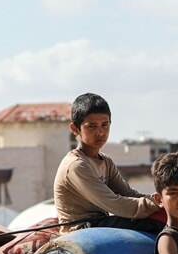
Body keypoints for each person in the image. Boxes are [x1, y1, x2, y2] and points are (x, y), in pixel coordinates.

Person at [53, 92, 165, 234]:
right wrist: (156, 204)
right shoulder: (76, 165)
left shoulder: (106, 162)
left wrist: (161, 200)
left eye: (105, 125)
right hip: (80, 229)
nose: (100, 132)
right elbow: (115, 203)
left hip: (101, 223)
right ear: (75, 129)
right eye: (92, 126)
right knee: (157, 224)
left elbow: (128, 194)